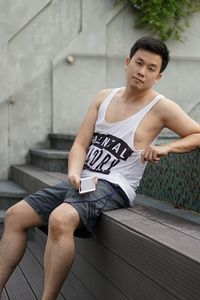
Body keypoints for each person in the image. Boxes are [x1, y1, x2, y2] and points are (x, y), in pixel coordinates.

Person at [0, 36, 200, 300]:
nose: (142, 71)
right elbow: (81, 143)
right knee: (15, 215)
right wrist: (73, 171)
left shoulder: (161, 107)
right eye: (139, 63)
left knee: (60, 219)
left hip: (114, 185)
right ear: (127, 63)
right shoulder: (104, 97)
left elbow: (197, 134)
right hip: (83, 180)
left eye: (151, 68)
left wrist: (166, 148)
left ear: (158, 77)